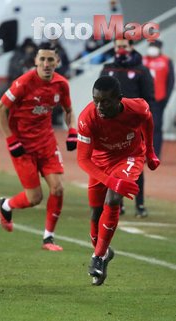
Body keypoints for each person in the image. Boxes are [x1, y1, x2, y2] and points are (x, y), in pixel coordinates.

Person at [0, 42, 78, 251]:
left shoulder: (61, 84)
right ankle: (6, 205)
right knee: (35, 198)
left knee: (58, 188)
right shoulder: (23, 83)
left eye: (51, 60)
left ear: (58, 61)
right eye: (42, 59)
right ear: (36, 61)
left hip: (46, 142)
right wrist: (11, 140)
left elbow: (68, 110)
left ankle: (48, 238)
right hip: (22, 146)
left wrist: (72, 130)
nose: (46, 64)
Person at [77, 75, 160, 286]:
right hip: (99, 161)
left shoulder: (137, 108)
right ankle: (103, 255)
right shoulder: (87, 118)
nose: (99, 106)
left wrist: (150, 151)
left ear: (119, 99)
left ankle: (97, 257)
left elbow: (148, 120)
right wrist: (108, 180)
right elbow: (82, 159)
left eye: (105, 101)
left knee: (113, 200)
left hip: (129, 157)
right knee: (95, 213)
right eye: (95, 100)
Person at [100, 38, 154, 217]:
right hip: (111, 126)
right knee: (113, 164)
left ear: (131, 48)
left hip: (134, 126)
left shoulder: (141, 70)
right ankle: (118, 202)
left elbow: (148, 98)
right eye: (118, 46)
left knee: (136, 165)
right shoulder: (108, 69)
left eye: (124, 46)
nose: (121, 49)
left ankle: (140, 205)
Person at [143, 39, 175, 158]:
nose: (152, 48)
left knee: (156, 126)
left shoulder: (166, 61)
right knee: (141, 126)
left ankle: (154, 153)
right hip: (143, 99)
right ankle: (141, 152)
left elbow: (170, 81)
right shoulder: (143, 60)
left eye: (154, 46)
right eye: (151, 45)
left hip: (158, 99)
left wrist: (166, 99)